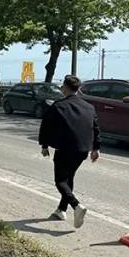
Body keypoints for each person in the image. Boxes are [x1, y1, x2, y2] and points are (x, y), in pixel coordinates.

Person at [39, 75, 101, 228]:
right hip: (82, 150)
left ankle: (76, 206)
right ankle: (61, 210)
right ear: (78, 88)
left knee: (60, 181)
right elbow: (96, 128)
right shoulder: (89, 107)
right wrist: (96, 148)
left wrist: (44, 145)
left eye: (62, 86)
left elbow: (46, 126)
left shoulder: (58, 105)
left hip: (65, 148)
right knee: (69, 178)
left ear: (65, 88)